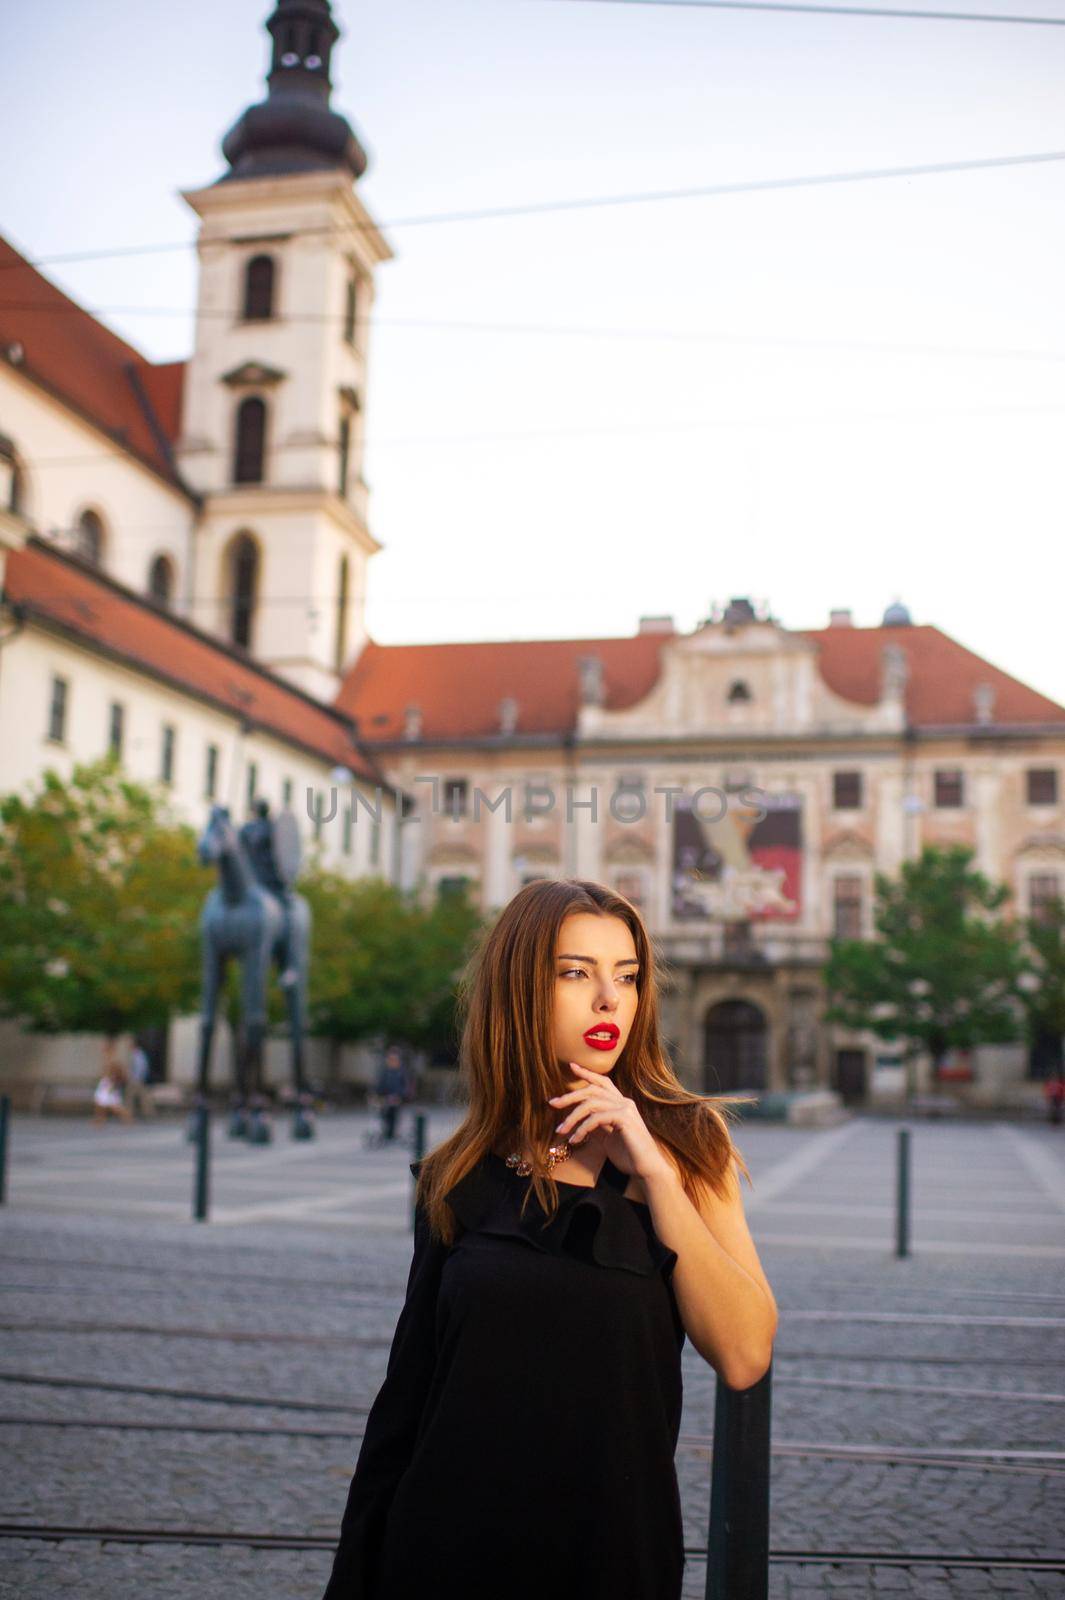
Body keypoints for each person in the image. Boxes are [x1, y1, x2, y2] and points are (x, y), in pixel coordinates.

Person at [321, 877, 778, 1600]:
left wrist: (654, 1175)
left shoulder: (688, 1143)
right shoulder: (461, 1170)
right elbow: (407, 1397)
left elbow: (745, 1353)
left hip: (610, 1554)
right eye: (575, 973)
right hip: (442, 1553)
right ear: (518, 988)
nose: (608, 1001)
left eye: (626, 978)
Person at [373, 1046, 412, 1143]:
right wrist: (379, 1095)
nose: (392, 1061)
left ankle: (392, 1133)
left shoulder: (401, 1072)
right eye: (390, 1059)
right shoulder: (384, 1072)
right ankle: (387, 1132)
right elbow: (379, 1085)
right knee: (384, 1115)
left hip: (397, 1099)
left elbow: (405, 1086)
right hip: (385, 1099)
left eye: (394, 1060)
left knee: (394, 1116)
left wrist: (399, 1095)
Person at [92, 1040, 132, 1126]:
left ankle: (127, 1117)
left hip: (109, 1084)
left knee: (114, 1106)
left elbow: (115, 1073)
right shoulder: (107, 1059)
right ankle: (100, 1120)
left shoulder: (113, 1060)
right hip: (105, 1083)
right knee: (100, 1103)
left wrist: (113, 1084)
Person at [127, 1038, 155, 1119]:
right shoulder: (138, 1054)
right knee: (143, 1096)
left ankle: (128, 1113)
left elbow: (140, 1068)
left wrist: (136, 1078)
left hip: (136, 1079)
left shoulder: (138, 1055)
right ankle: (148, 1112)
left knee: (130, 1097)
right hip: (138, 1079)